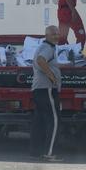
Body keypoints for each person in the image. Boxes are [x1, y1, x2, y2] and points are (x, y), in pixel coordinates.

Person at [30, 25, 63, 162]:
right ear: (47, 35)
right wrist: (52, 77)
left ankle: (35, 151)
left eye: (57, 33)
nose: (56, 36)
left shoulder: (46, 47)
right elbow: (41, 60)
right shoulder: (47, 48)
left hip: (39, 89)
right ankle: (49, 153)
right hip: (46, 89)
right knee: (54, 121)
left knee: (40, 121)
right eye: (53, 34)